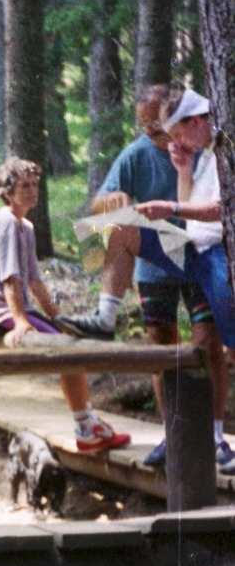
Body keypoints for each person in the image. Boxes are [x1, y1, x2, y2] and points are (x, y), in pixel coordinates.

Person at [64, 88, 235, 470]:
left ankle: (214, 437)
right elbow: (101, 204)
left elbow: (207, 212)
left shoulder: (216, 146)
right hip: (160, 262)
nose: (157, 135)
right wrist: (114, 201)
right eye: (147, 127)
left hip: (201, 253)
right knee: (162, 349)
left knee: (208, 345)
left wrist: (174, 196)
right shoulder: (138, 154)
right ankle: (172, 432)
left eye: (160, 127)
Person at [0, 157, 131, 453]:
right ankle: (86, 429)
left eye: (34, 185)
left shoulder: (25, 226)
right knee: (68, 352)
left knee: (66, 340)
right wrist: (19, 321)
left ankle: (87, 424)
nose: (31, 191)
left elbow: (34, 282)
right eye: (23, 186)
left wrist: (56, 318)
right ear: (7, 193)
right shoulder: (5, 223)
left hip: (9, 307)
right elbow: (10, 279)